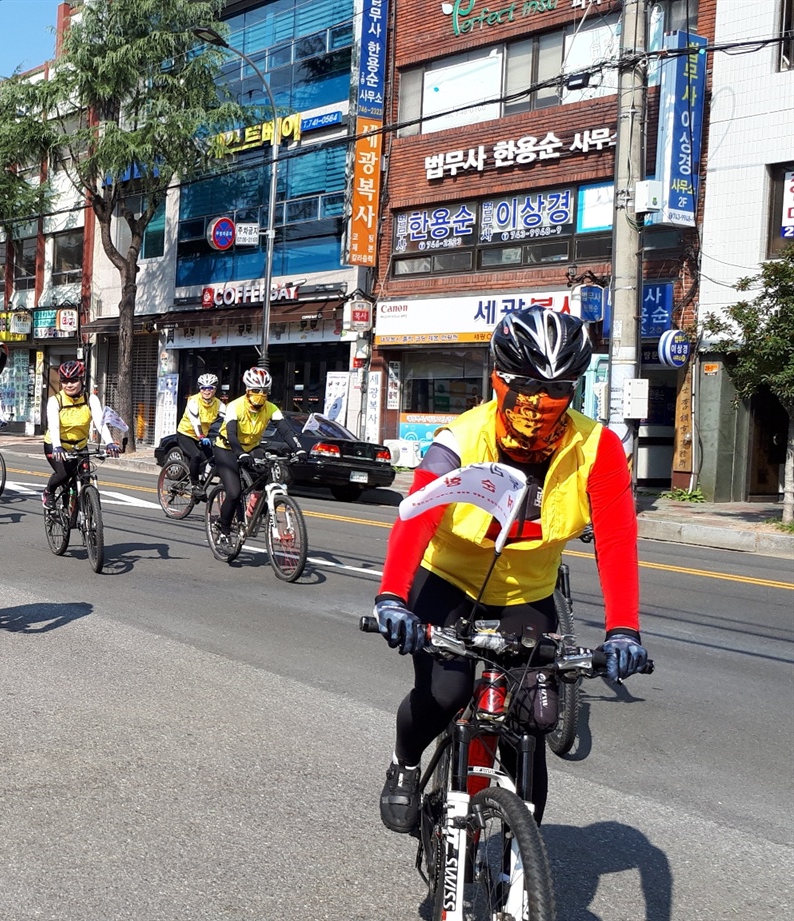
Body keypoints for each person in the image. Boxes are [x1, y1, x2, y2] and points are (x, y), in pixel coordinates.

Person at [372, 306, 648, 834]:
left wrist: (623, 630)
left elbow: (616, 539)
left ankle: (521, 864)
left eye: (558, 389)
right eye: (525, 387)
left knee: (533, 721)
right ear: (498, 379)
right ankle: (405, 764)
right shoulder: (462, 438)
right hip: (449, 583)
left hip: (529, 592)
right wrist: (392, 597)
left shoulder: (599, 447)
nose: (539, 405)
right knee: (446, 694)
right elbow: (417, 517)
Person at [211, 367, 304, 546]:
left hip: (251, 447)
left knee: (268, 470)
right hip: (227, 448)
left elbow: (286, 431)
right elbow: (231, 434)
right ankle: (223, 530)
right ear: (247, 390)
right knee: (234, 492)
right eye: (256, 390)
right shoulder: (235, 406)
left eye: (264, 391)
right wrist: (240, 453)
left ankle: (256, 507)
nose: (260, 394)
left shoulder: (271, 408)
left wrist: (298, 449)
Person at [41, 359, 121, 509]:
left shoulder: (91, 399)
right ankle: (48, 492)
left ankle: (89, 517)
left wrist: (109, 442)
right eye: (65, 381)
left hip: (80, 445)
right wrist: (58, 447)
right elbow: (54, 426)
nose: (69, 385)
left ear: (81, 380)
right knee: (64, 473)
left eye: (73, 380)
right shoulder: (55, 401)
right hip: (56, 444)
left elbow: (99, 422)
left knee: (85, 479)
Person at [175, 373, 222, 489]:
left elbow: (229, 419)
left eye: (210, 388)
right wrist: (201, 436)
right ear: (199, 389)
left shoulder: (218, 404)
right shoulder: (193, 401)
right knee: (195, 455)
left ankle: (202, 484)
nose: (206, 391)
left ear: (215, 389)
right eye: (203, 388)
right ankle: (195, 485)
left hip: (202, 437)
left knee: (212, 460)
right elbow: (195, 422)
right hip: (186, 434)